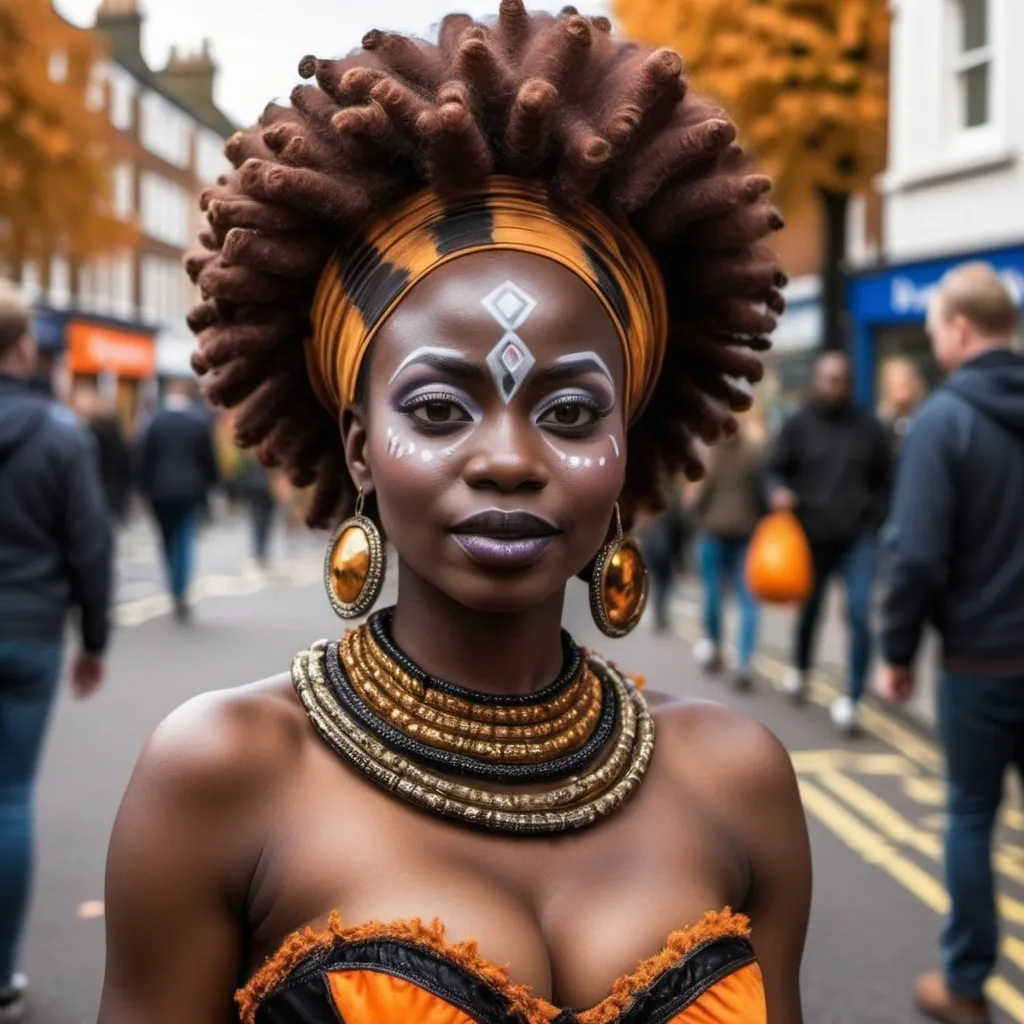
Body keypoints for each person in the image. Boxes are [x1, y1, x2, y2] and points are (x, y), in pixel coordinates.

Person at [99, 10, 811, 1024]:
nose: (511, 460)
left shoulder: (737, 778)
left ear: (626, 447)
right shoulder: (221, 773)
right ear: (358, 448)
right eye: (439, 410)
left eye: (569, 413)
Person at [879, 262, 1024, 1024]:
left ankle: (966, 985)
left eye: (935, 330)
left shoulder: (945, 420)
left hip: (981, 659)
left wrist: (897, 652)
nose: (934, 345)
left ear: (962, 330)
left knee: (971, 814)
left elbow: (918, 557)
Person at [0, 281, 111, 1021]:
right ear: (24, 347)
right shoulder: (59, 433)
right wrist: (93, 638)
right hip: (31, 632)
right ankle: (3, 972)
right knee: (8, 798)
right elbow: (90, 545)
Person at [766, 351, 892, 734]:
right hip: (811, 537)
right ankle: (801, 670)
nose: (834, 386)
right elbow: (773, 470)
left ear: (850, 382)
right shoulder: (798, 425)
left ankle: (852, 698)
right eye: (827, 378)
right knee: (810, 610)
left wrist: (874, 521)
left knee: (858, 612)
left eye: (841, 379)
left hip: (859, 539)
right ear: (816, 380)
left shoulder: (870, 429)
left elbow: (887, 483)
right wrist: (777, 491)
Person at [137, 378, 219, 622]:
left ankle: (174, 584)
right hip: (189, 490)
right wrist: (212, 486)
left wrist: (141, 488)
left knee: (166, 539)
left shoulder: (155, 423)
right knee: (183, 539)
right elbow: (209, 459)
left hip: (159, 491)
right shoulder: (198, 423)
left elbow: (143, 457)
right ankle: (180, 590)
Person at [691, 421, 764, 691]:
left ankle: (714, 644)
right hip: (746, 532)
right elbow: (762, 493)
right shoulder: (754, 452)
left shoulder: (712, 453)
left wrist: (694, 515)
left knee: (713, 592)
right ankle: (743, 661)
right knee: (748, 598)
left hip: (715, 532)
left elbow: (701, 496)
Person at [71, 383, 134, 525]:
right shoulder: (118, 436)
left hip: (94, 491)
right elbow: (126, 468)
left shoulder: (88, 433)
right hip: (112, 493)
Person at [878, 356, 926, 460]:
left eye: (905, 384)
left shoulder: (925, 420)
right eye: (897, 385)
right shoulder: (881, 427)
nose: (902, 390)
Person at [235, 450, 277, 568]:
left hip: (257, 486)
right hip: (263, 487)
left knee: (259, 519)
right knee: (263, 520)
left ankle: (260, 550)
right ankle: (260, 551)